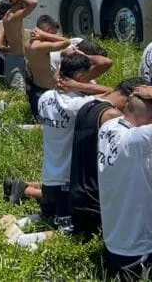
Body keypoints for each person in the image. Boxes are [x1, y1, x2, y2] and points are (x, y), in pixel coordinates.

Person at [97, 85, 152, 280]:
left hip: (115, 234)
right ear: (150, 122)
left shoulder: (109, 126)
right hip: (136, 242)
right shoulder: (135, 140)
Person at [66, 77, 144, 239]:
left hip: (79, 188)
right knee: (80, 237)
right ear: (130, 98)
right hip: (95, 196)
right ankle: (23, 240)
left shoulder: (88, 105)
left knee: (78, 235)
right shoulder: (111, 115)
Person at [35, 53, 100, 227]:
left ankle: (20, 222)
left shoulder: (45, 97)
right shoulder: (77, 105)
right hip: (67, 181)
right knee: (68, 231)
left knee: (46, 219)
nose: (91, 81)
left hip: (48, 179)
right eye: (88, 78)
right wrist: (80, 86)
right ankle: (18, 240)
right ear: (79, 78)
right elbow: (113, 94)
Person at [0, 0, 38, 91]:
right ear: (19, 3)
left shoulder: (7, 15)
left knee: (11, 89)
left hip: (10, 56)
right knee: (19, 91)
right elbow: (34, 3)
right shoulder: (15, 16)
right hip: (17, 58)